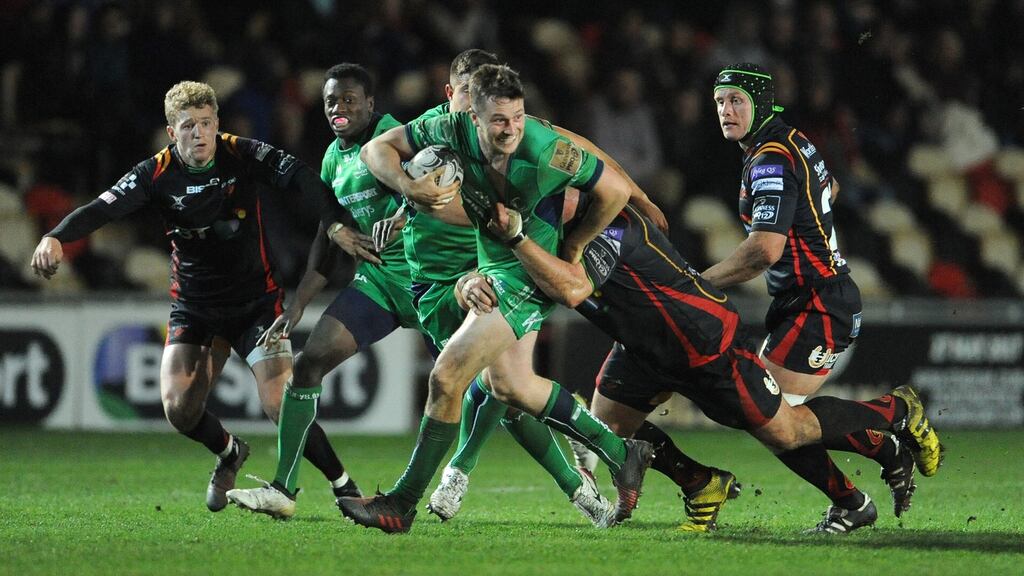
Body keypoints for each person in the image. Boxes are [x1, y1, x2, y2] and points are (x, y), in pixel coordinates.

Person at [482, 186, 944, 534]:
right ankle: (702, 483)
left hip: (703, 342)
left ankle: (896, 412)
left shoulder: (608, 228)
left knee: (787, 429)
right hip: (643, 345)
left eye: (556, 192)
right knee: (608, 424)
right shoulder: (568, 222)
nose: (543, 201)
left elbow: (569, 287)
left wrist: (515, 243)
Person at [339, 64, 653, 534]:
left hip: (531, 264)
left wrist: (575, 246)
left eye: (518, 118)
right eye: (500, 121)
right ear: (475, 118)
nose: (511, 130)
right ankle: (620, 451)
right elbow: (375, 148)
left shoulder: (545, 149)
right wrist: (408, 186)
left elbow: (614, 189)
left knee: (447, 378)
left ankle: (402, 502)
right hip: (493, 259)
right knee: (510, 386)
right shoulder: (448, 128)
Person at [29, 81, 359, 513]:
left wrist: (333, 223)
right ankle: (228, 452)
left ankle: (345, 486)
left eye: (206, 123)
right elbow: (101, 208)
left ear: (217, 123)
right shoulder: (156, 173)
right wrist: (56, 236)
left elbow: (300, 176)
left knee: (281, 402)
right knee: (179, 409)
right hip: (195, 308)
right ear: (172, 131)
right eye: (189, 126)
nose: (199, 134)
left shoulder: (241, 152)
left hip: (255, 305)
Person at [701, 63, 934, 528]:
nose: (726, 110)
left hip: (820, 302)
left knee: (770, 418)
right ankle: (877, 458)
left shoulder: (769, 156)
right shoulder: (792, 141)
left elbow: (764, 250)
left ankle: (891, 420)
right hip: (805, 298)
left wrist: (695, 285)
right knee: (773, 418)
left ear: (761, 104)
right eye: (721, 101)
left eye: (737, 101)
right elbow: (830, 186)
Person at [223, 63, 427, 519]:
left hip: (429, 280)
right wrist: (297, 305)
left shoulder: (396, 137)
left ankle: (582, 454)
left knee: (499, 385)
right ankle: (284, 488)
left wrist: (401, 218)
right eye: (332, 100)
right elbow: (327, 236)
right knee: (310, 361)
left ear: (371, 104)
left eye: (350, 99)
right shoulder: (335, 158)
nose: (340, 108)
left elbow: (436, 187)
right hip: (378, 284)